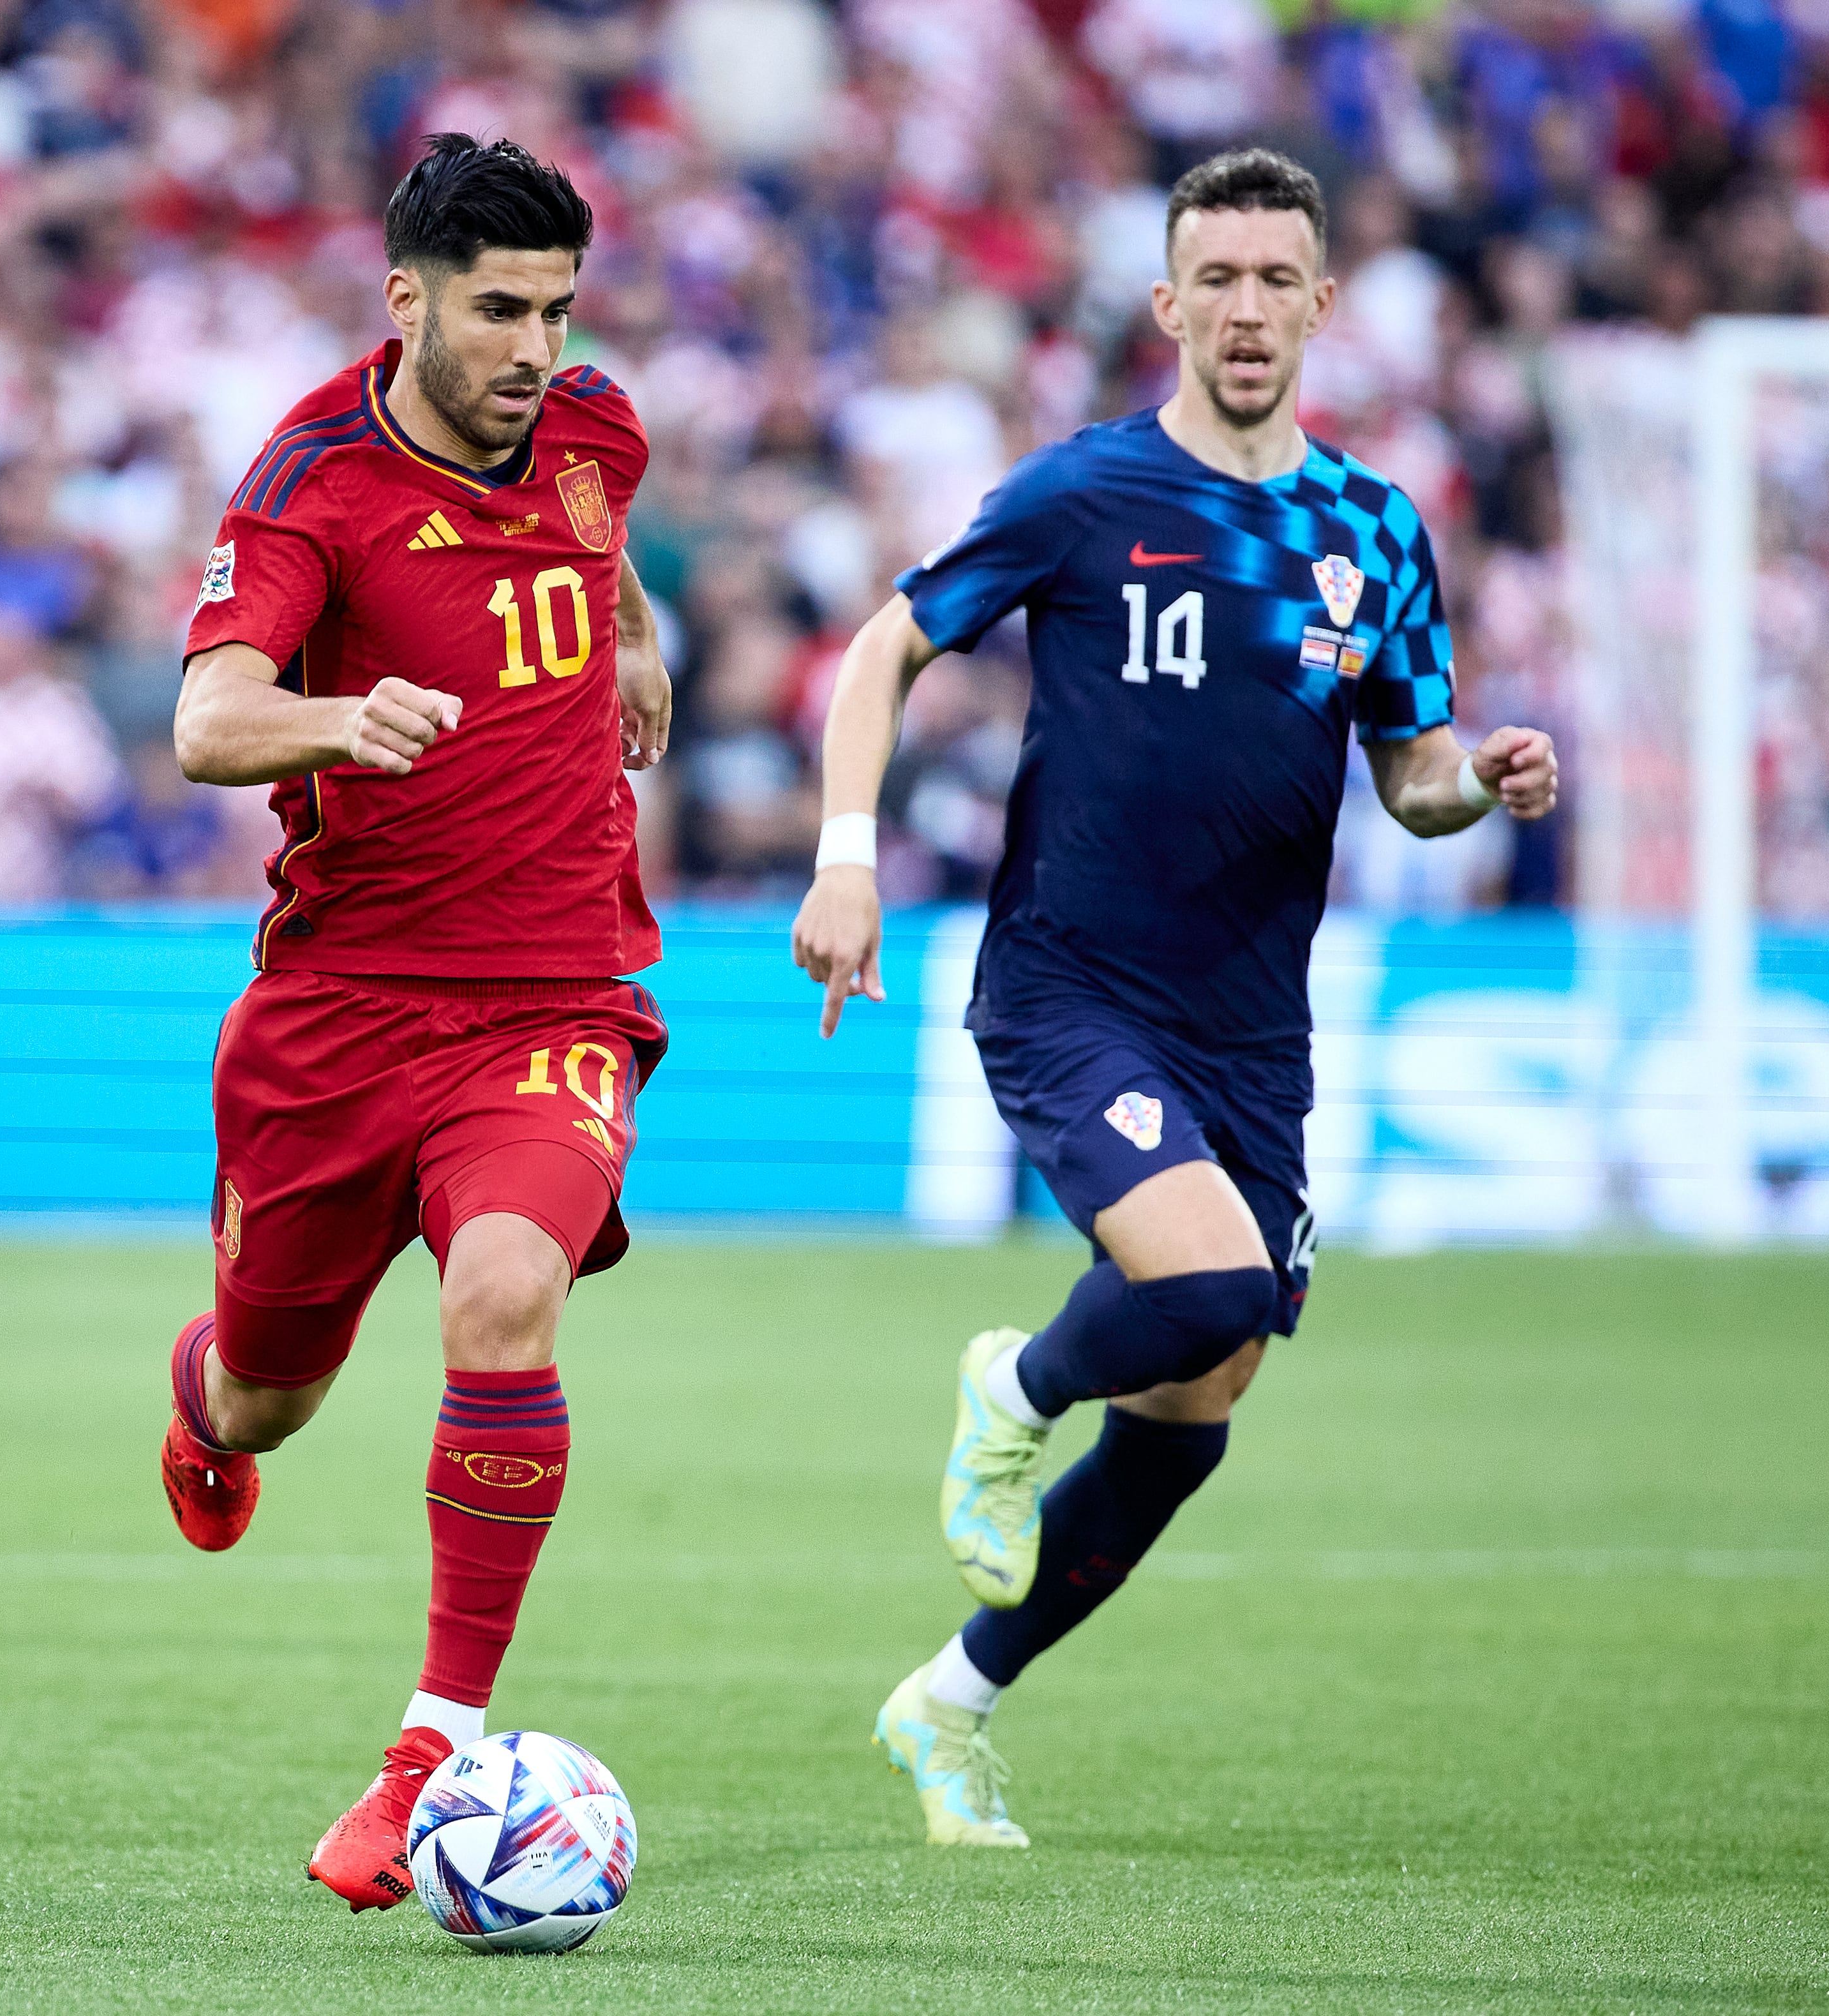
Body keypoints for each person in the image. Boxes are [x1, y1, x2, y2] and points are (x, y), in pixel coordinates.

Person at [789, 148, 1558, 1848]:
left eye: (1276, 278)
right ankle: (1011, 1387)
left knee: (1199, 1406)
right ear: (1167, 303)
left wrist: (1473, 781)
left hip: (1250, 1032)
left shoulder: (1371, 531)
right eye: (1214, 279)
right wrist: (845, 854)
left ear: (1320, 305)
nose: (1245, 309)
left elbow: (1408, 773)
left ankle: (952, 1702)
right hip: (1071, 982)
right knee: (1204, 1289)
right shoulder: (1081, 494)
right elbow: (883, 647)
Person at [158, 133, 672, 1911]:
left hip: (551, 996)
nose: (535, 348)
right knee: (269, 1396)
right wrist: (339, 719)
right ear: (407, 300)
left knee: (505, 1295)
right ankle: (206, 1409)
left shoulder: (597, 427)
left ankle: (426, 1754)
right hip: (337, 1020)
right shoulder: (309, 486)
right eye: (498, 311)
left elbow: (591, 551)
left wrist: (637, 631)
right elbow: (211, 724)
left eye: (556, 309)